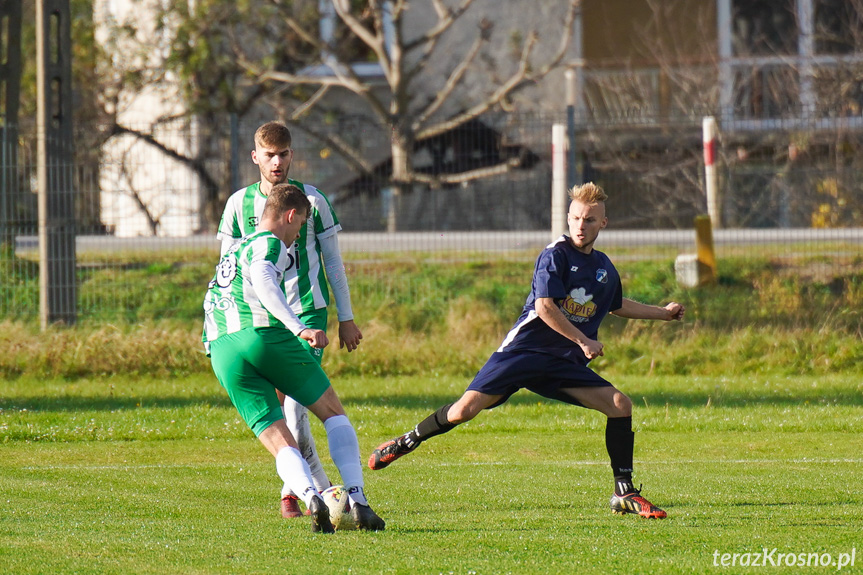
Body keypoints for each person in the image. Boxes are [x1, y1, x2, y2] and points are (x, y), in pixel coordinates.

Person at [368, 182, 684, 519]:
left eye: (590, 220)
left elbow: (616, 305)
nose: (581, 225)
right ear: (568, 217)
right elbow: (546, 307)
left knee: (620, 405)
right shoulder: (555, 255)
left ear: (602, 224)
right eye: (576, 218)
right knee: (463, 411)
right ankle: (407, 441)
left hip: (560, 363)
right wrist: (583, 341)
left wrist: (662, 314)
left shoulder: (604, 268)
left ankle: (625, 492)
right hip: (523, 353)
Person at [203, 183, 385, 533]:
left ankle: (310, 497)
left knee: (275, 436)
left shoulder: (236, 249)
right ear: (289, 216)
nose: (298, 233)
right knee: (332, 410)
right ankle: (359, 502)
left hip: (220, 349)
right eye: (300, 225)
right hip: (258, 335)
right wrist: (298, 327)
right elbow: (264, 280)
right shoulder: (267, 242)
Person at [217, 121, 363, 518]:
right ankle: (312, 492)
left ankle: (312, 493)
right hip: (261, 320)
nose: (277, 161)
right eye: (269, 154)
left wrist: (345, 318)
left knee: (297, 408)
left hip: (307, 310)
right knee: (281, 409)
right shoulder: (237, 206)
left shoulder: (312, 200)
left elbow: (332, 261)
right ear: (256, 157)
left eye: (283, 154)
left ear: (291, 155)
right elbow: (228, 268)